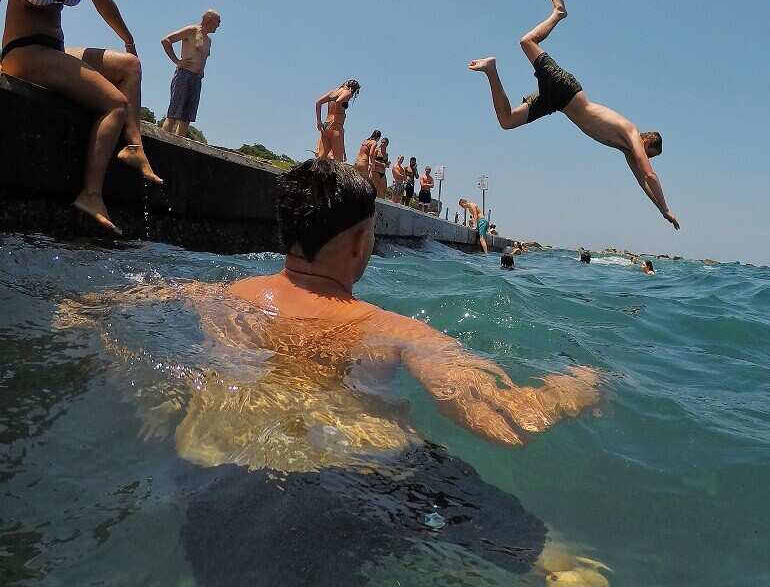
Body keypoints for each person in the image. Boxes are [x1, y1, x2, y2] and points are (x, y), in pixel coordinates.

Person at [56, 158, 607, 583]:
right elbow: (503, 424)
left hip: (215, 474)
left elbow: (87, 307)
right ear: (363, 241)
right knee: (558, 561)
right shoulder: (394, 329)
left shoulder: (211, 295)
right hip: (359, 476)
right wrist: (577, 387)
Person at [0, 0, 163, 235]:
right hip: (22, 53)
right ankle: (91, 194)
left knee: (131, 67)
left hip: (55, 51)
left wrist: (127, 37)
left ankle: (134, 148)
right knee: (114, 103)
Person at [468, 0, 679, 229]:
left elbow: (643, 182)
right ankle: (558, 14)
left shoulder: (627, 148)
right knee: (527, 42)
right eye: (650, 154)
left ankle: (491, 70)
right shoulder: (631, 133)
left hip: (557, 103)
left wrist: (662, 210)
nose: (646, 159)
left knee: (506, 121)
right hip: (566, 90)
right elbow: (650, 175)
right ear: (648, 140)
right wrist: (668, 206)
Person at [159, 9, 220, 138]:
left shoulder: (209, 41)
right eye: (217, 21)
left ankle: (177, 148)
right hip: (184, 75)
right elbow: (166, 40)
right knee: (174, 114)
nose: (218, 25)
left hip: (197, 80)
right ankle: (161, 140)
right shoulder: (192, 30)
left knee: (186, 118)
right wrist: (176, 60)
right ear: (209, 20)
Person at [313, 78, 359, 161]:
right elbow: (338, 101)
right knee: (338, 160)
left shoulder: (334, 92)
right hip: (335, 126)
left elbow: (318, 102)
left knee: (321, 159)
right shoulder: (348, 92)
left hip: (326, 125)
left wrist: (318, 121)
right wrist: (339, 113)